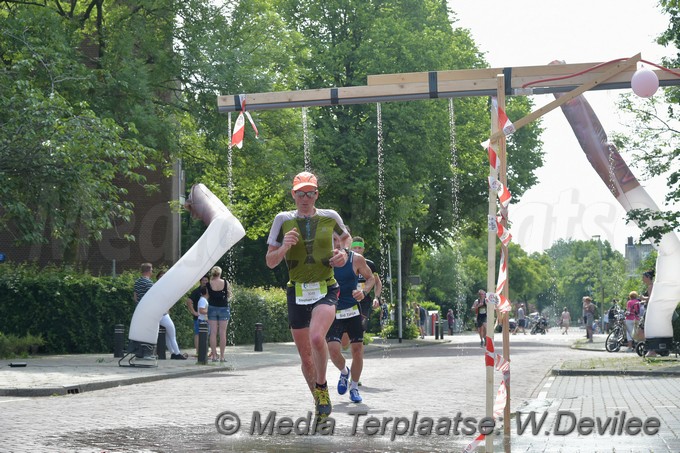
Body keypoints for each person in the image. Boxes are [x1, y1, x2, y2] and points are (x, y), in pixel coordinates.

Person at [265, 171, 350, 419]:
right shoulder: (282, 220)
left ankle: (322, 386)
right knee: (306, 357)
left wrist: (343, 254)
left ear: (316, 194)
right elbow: (270, 262)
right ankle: (320, 402)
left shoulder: (330, 216)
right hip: (297, 291)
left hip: (326, 287)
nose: (305, 198)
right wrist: (283, 247)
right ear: (293, 194)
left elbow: (345, 239)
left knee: (316, 338)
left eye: (310, 193)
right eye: (300, 193)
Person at [327, 248, 375, 404]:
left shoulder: (357, 259)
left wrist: (364, 292)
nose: (335, 243)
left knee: (357, 351)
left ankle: (354, 387)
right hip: (333, 311)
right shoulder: (323, 258)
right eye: (332, 239)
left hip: (353, 311)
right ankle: (344, 372)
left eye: (339, 239)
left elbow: (371, 278)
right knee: (333, 351)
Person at [350, 237, 383, 333]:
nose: (357, 250)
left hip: (364, 301)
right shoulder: (346, 263)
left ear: (363, 249)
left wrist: (376, 298)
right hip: (348, 299)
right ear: (350, 248)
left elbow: (378, 282)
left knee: (361, 327)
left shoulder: (370, 264)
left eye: (359, 248)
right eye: (354, 248)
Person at [155, 270, 187, 360]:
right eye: (161, 276)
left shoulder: (156, 287)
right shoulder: (163, 288)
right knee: (172, 335)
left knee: (167, 336)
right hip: (163, 315)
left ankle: (173, 353)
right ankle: (177, 353)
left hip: (159, 314)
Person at [207, 266, 232, 363]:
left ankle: (213, 356)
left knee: (213, 333)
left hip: (212, 308)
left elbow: (208, 296)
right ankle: (222, 356)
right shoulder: (225, 282)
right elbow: (229, 294)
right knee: (223, 333)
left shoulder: (209, 284)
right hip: (223, 308)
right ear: (220, 273)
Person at [185, 276, 209, 356]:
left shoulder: (209, 291)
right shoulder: (196, 291)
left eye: (206, 280)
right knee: (197, 334)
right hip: (198, 317)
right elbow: (188, 301)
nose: (205, 282)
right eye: (203, 280)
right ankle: (198, 351)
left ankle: (204, 351)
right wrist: (194, 312)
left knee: (206, 333)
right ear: (200, 281)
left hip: (206, 318)